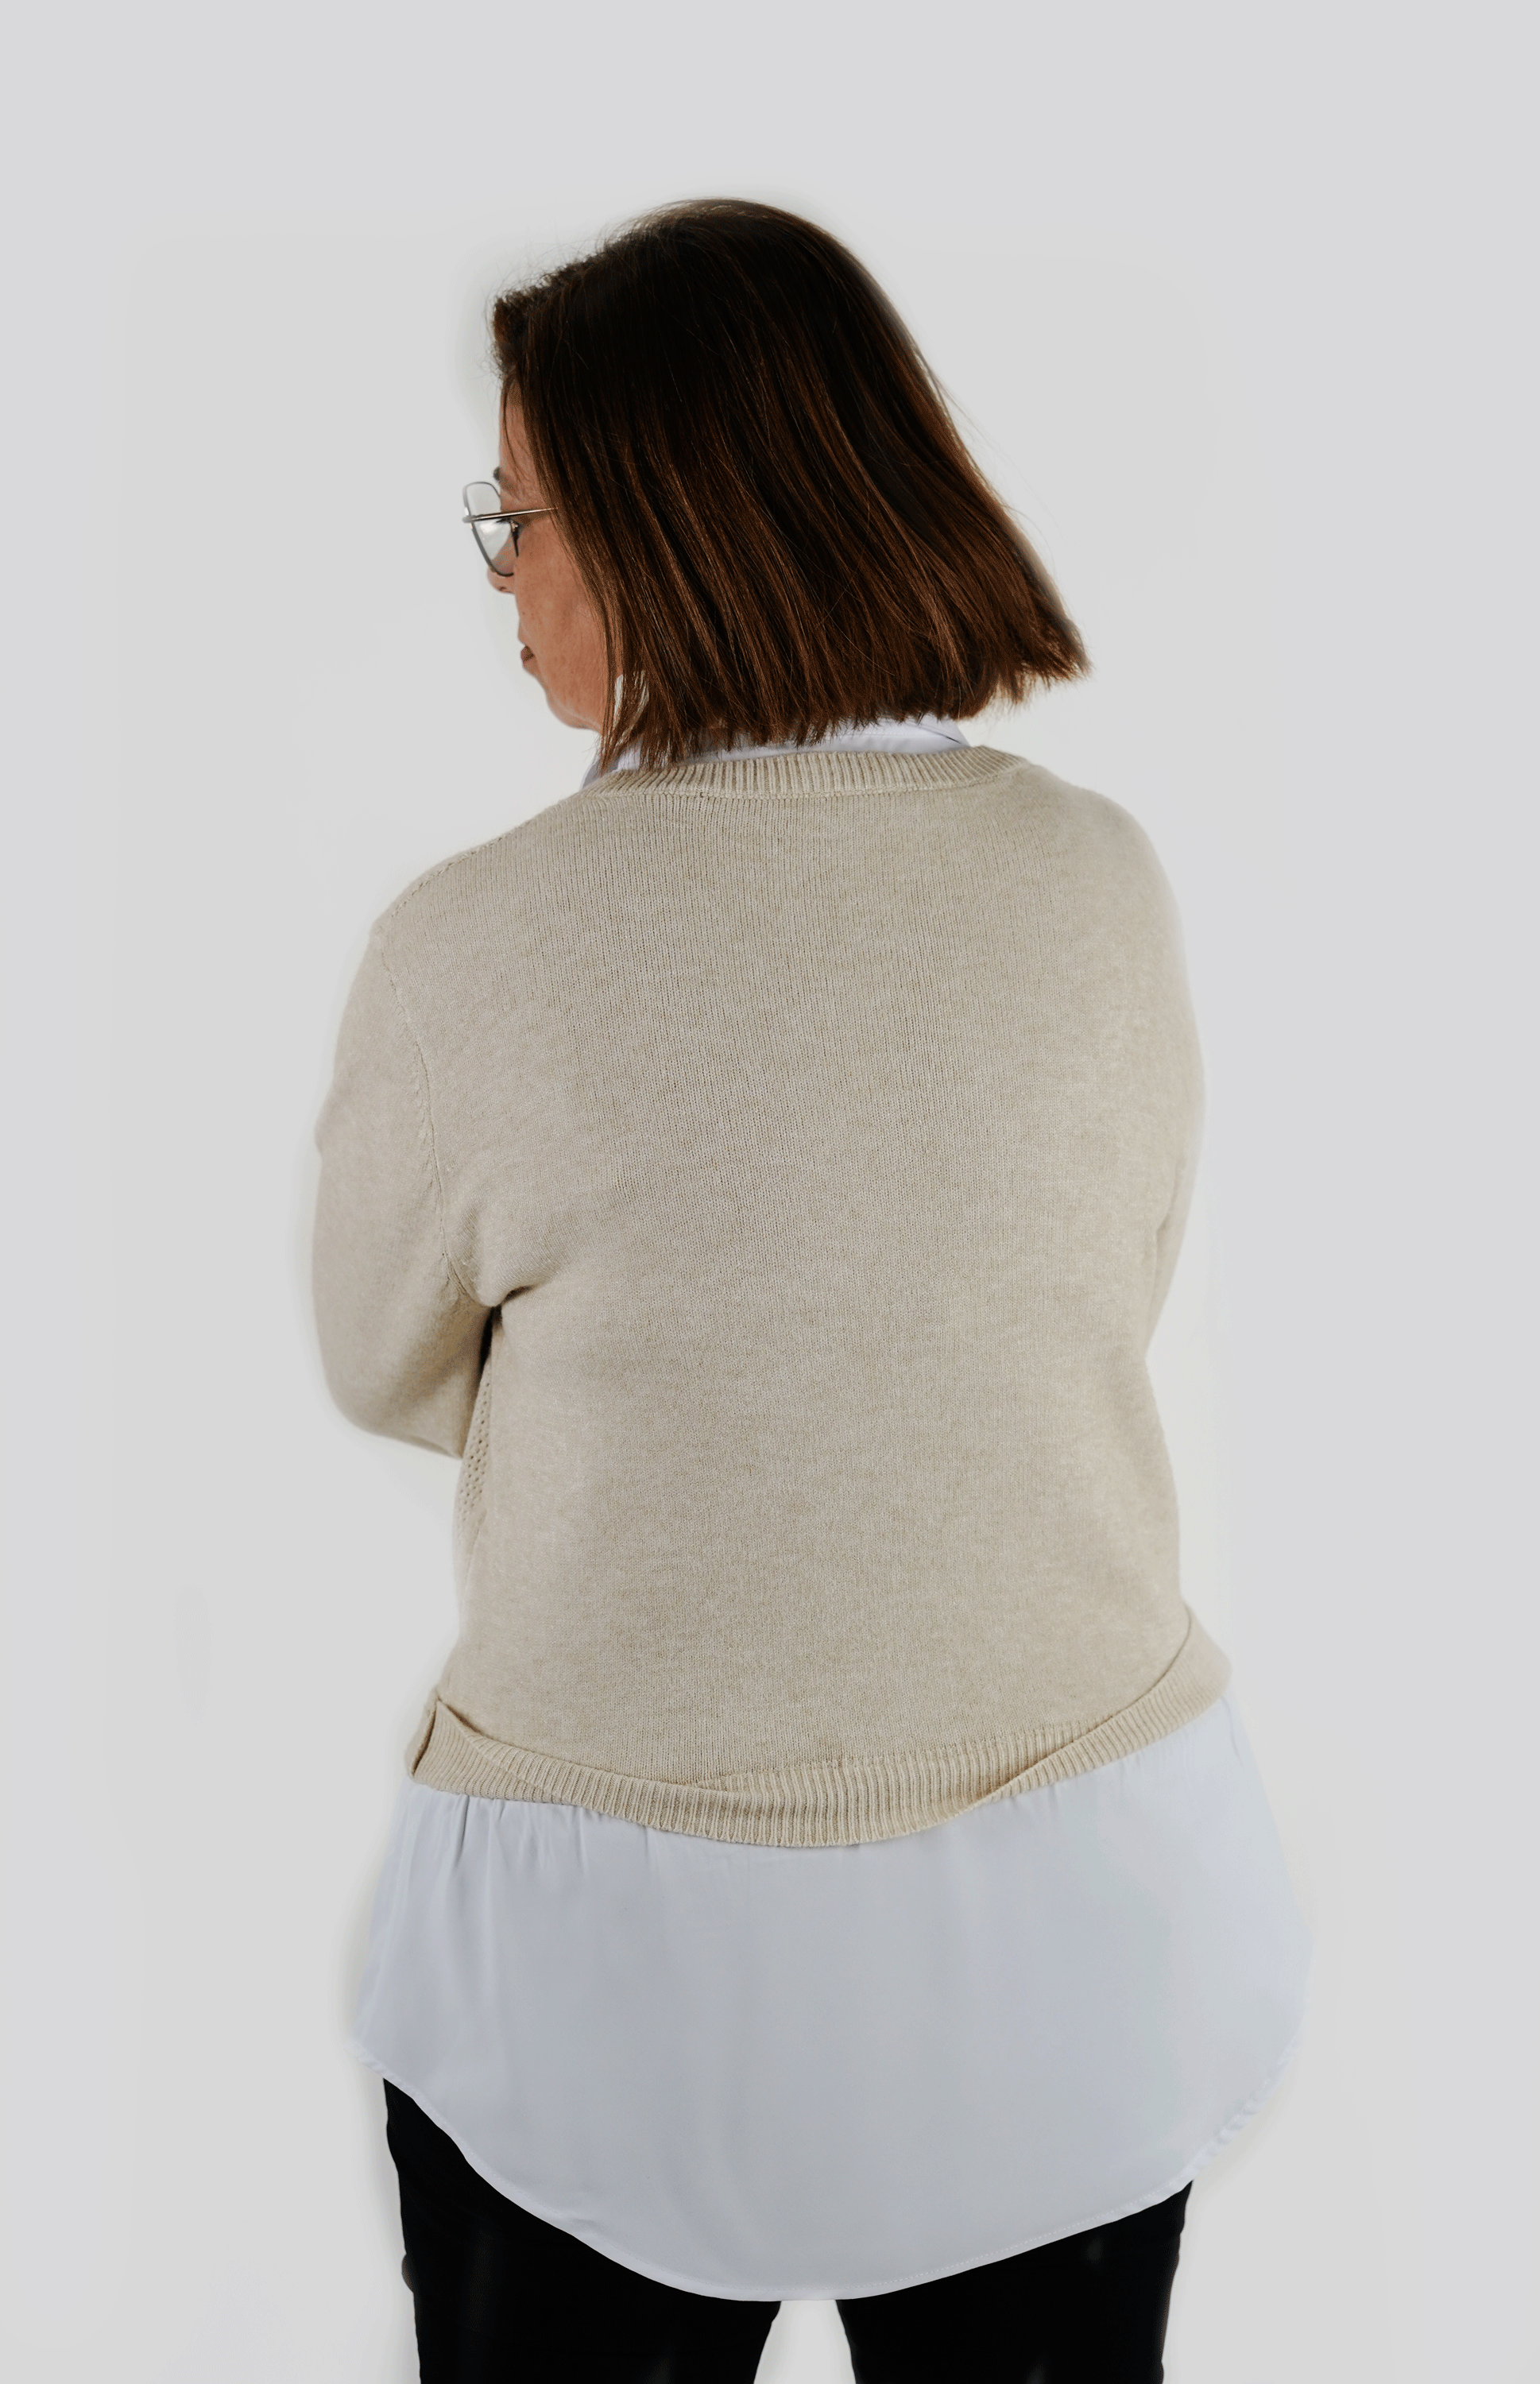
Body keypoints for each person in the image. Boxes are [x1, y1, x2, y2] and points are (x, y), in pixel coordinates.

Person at [312, 197, 1311, 2383]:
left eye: (521, 515)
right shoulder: (1096, 879)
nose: (501, 573)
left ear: (659, 525)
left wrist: (663, 1378)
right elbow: (1091, 1295)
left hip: (606, 1973)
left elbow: (381, 1357)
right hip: (1080, 1934)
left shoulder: (477, 944)